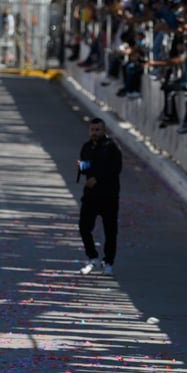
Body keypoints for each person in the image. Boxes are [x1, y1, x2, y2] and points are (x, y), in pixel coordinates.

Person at [76, 118, 122, 275]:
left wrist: (98, 179)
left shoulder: (111, 148)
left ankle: (108, 261)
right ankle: (92, 257)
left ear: (103, 131)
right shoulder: (87, 147)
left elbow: (115, 169)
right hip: (90, 196)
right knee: (84, 227)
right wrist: (81, 166)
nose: (94, 133)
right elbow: (85, 167)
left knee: (110, 231)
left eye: (97, 130)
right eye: (92, 130)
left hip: (108, 196)